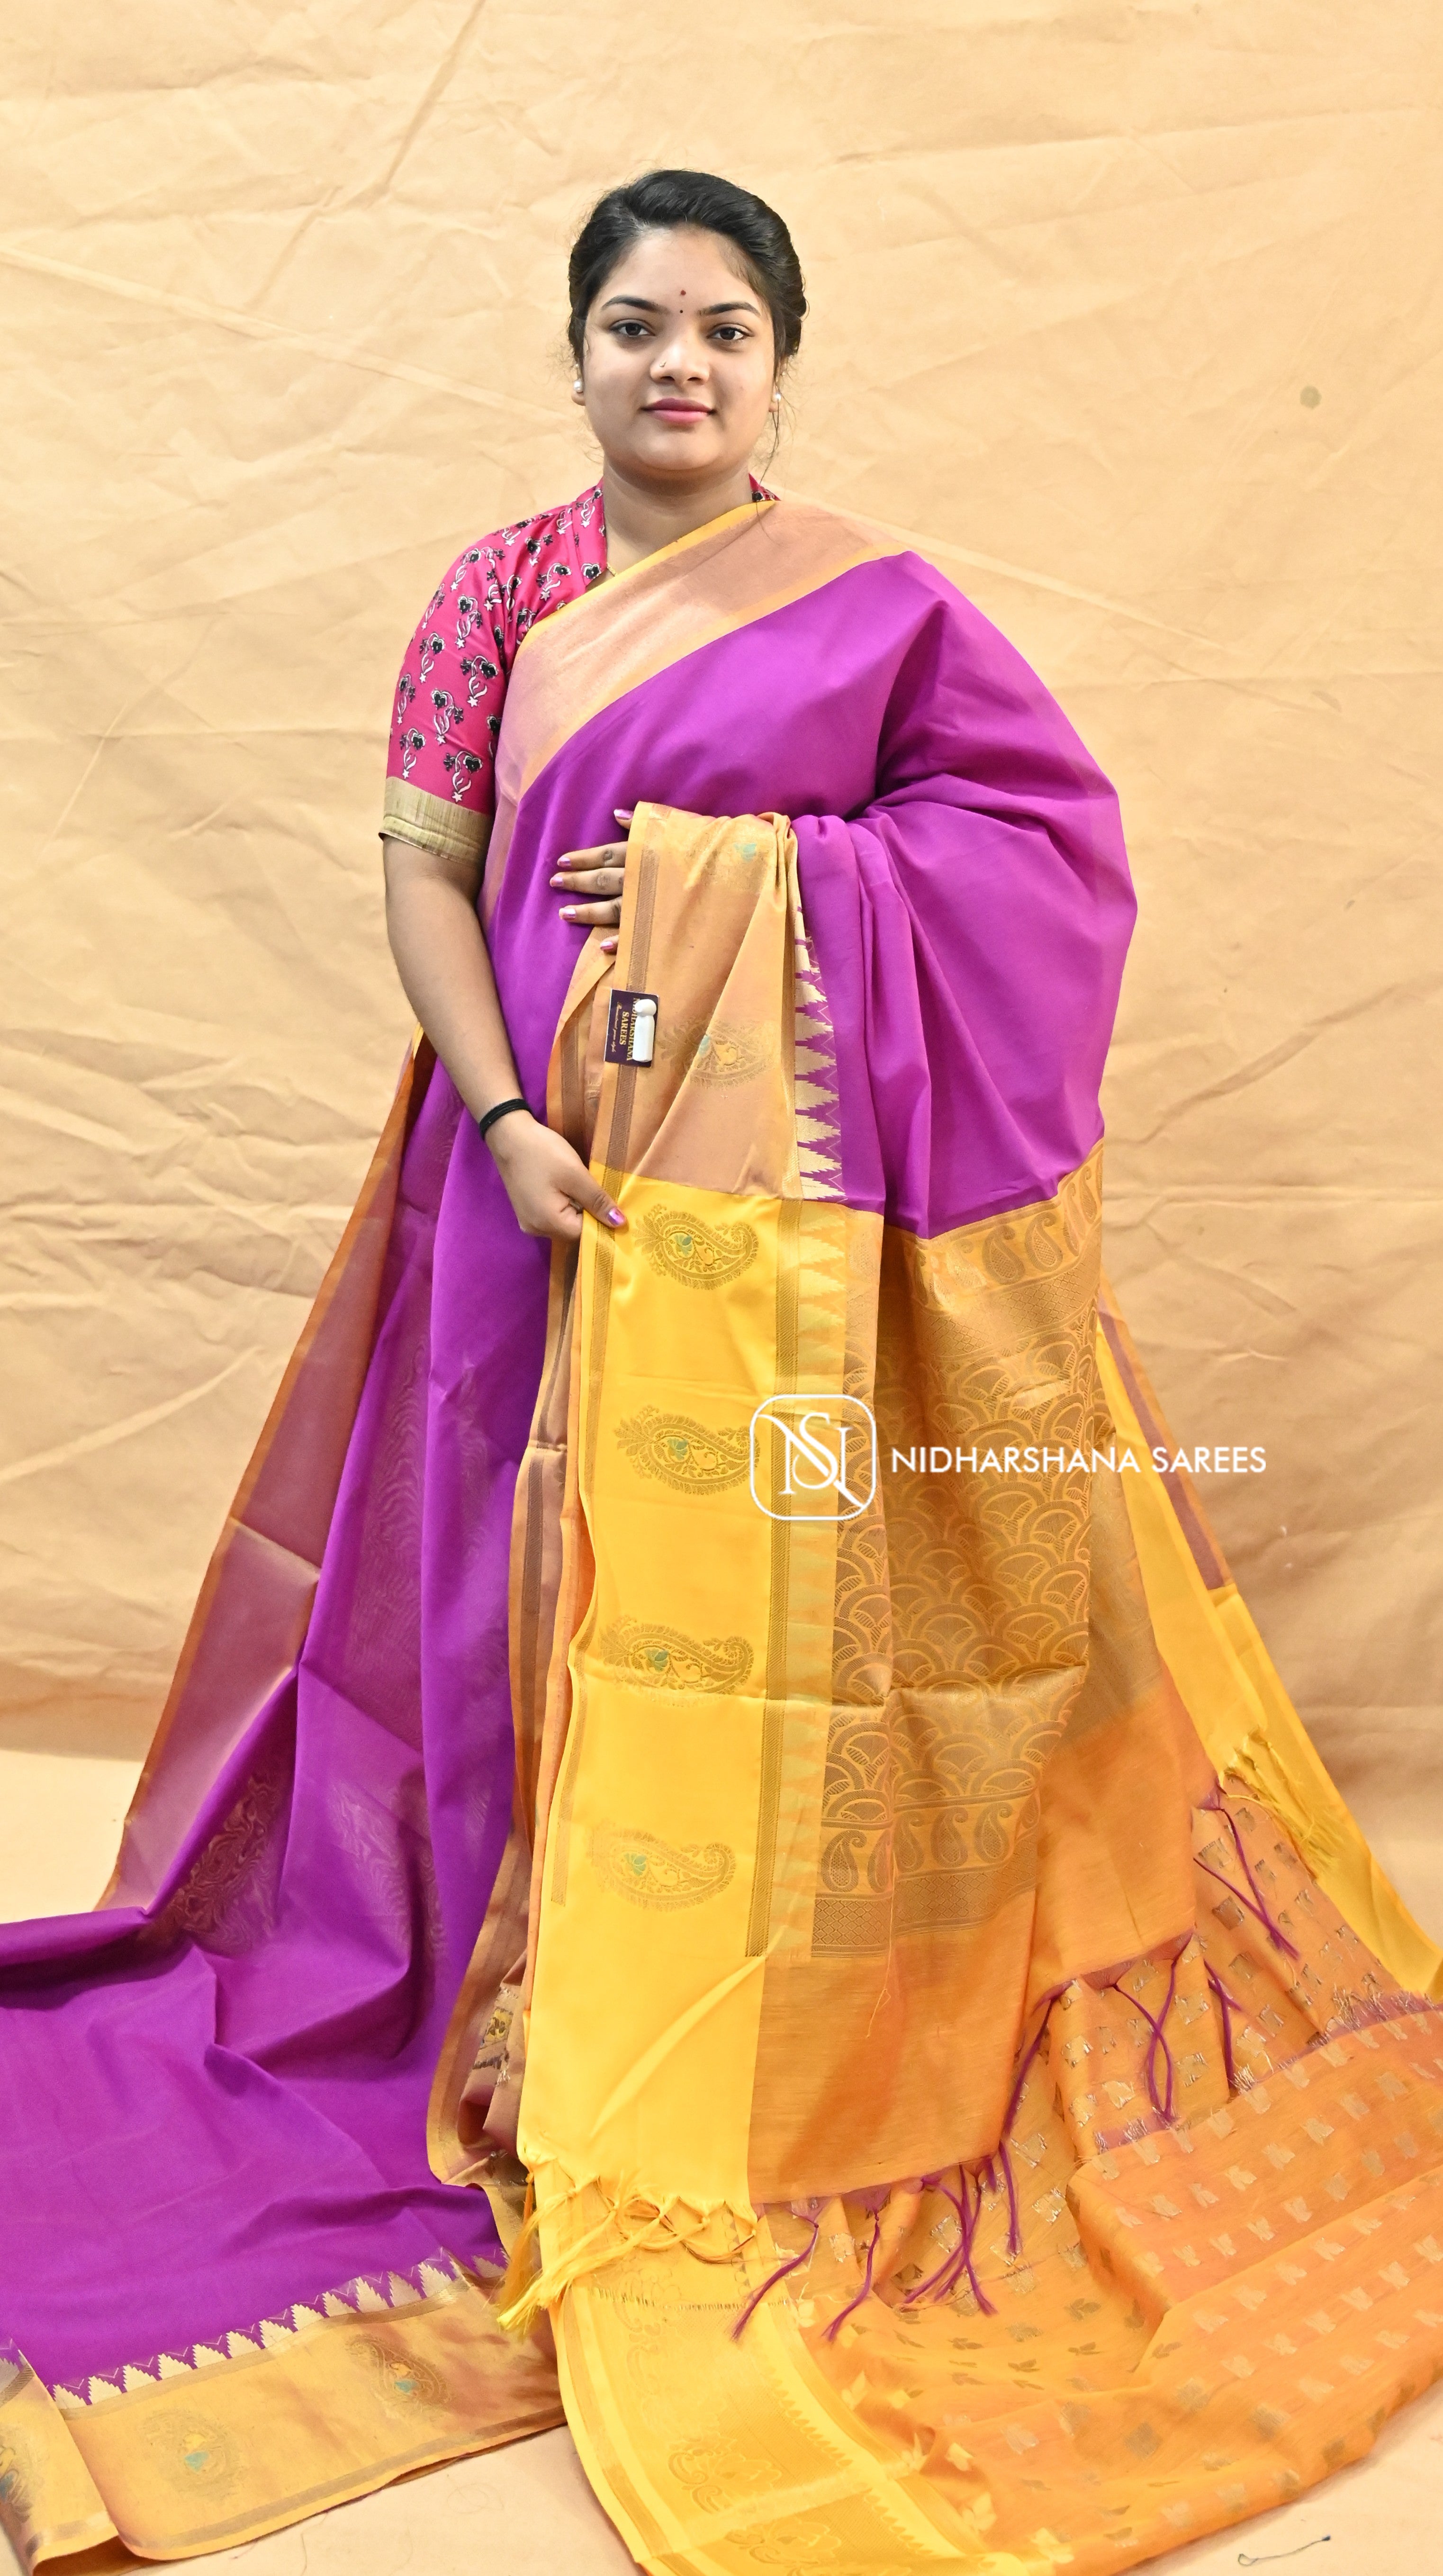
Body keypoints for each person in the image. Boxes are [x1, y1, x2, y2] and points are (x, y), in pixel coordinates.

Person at [0, 168, 1440, 2576]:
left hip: (794, 1261)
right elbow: (426, 874)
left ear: (782, 364)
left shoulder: (878, 607)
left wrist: (741, 877)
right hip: (529, 1190)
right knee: (498, 1600)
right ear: (575, 351)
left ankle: (766, 2019)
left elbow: (1039, 858)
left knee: (780, 1615)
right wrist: (505, 1120)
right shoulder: (496, 595)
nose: (682, 363)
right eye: (640, 323)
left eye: (728, 328)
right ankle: (509, 2014)